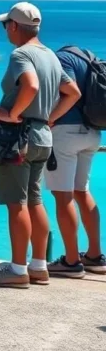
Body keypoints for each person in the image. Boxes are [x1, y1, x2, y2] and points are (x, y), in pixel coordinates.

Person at [0, 2, 82, 289]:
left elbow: (31, 85)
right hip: (41, 137)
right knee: (36, 201)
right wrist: (48, 119)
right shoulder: (50, 55)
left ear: (13, 26)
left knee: (17, 203)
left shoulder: (20, 54)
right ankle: (38, 265)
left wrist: (10, 115)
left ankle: (17, 268)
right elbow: (72, 92)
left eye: (5, 25)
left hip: (17, 139)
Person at [45, 45, 105, 277]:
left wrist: (51, 118)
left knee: (63, 195)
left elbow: (72, 93)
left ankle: (71, 261)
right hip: (92, 131)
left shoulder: (60, 58)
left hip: (66, 132)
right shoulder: (91, 58)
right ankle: (95, 255)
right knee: (82, 190)